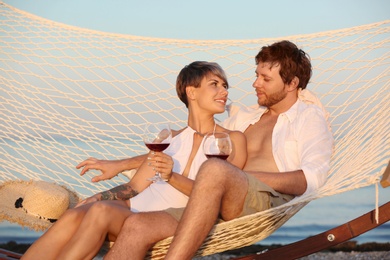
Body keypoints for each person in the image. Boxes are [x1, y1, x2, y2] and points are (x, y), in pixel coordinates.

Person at [102, 40, 334, 259]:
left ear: (292, 83)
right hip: (213, 198)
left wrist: (241, 177)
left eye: (265, 79)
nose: (256, 83)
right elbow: (188, 142)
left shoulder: (308, 116)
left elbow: (312, 178)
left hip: (263, 202)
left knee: (214, 168)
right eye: (256, 76)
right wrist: (122, 164)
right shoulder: (243, 117)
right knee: (137, 225)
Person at [21, 61, 247, 260]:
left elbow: (222, 198)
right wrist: (94, 197)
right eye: (215, 84)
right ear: (192, 92)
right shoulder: (168, 139)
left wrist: (171, 177)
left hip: (168, 219)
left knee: (100, 212)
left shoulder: (231, 140)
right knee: (75, 214)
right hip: (134, 208)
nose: (224, 91)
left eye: (225, 85)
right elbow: (134, 187)